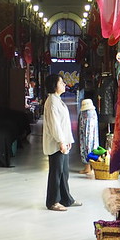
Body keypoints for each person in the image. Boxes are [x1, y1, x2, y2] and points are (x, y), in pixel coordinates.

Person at [43, 74, 81, 211]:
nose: (64, 84)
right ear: (54, 85)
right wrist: (61, 141)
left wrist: (67, 140)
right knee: (56, 172)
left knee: (64, 172)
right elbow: (55, 125)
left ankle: (66, 199)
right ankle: (53, 201)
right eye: (61, 82)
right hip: (56, 144)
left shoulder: (57, 100)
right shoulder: (52, 101)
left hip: (63, 142)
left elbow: (64, 123)